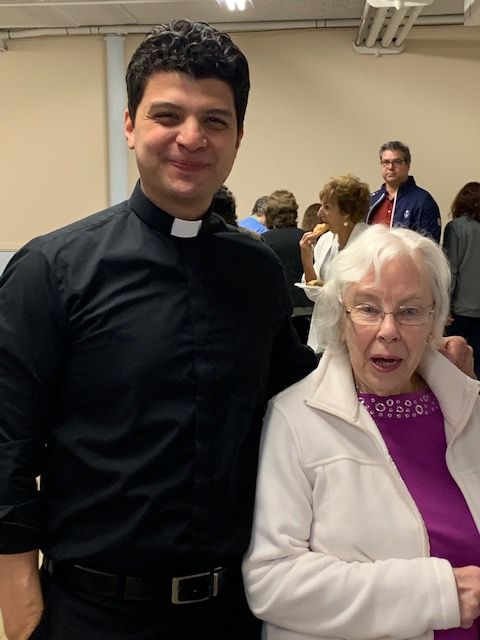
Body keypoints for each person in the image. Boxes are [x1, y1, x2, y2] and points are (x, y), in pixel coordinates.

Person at [0, 20, 318, 640]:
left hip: (234, 611)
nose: (191, 138)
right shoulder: (52, 270)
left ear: (238, 136)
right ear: (130, 125)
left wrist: (416, 360)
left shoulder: (256, 272)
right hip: (92, 613)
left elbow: (299, 396)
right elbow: (7, 442)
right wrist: (19, 603)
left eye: (215, 120)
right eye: (167, 115)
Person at [243, 224, 480, 640]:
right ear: (340, 317)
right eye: (368, 309)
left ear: (434, 321)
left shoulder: (468, 407)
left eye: (410, 311)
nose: (388, 330)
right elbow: (273, 580)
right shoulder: (297, 417)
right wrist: (442, 593)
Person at [299, 174, 370, 353]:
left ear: (347, 212)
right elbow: (314, 293)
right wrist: (307, 260)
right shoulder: (325, 240)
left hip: (357, 331)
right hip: (324, 332)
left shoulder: (370, 244)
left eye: (327, 207)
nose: (319, 214)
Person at [262, 190, 313, 344]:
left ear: (269, 213)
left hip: (278, 312)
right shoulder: (307, 238)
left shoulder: (264, 240)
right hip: (308, 309)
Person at [366, 140, 441, 242]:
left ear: (408, 165)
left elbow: (429, 246)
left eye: (397, 162)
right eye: (386, 162)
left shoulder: (423, 201)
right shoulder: (372, 200)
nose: (390, 167)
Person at [443, 181, 480, 379]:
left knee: (452, 365)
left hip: (460, 310)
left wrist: (445, 306)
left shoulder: (455, 228)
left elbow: (451, 270)